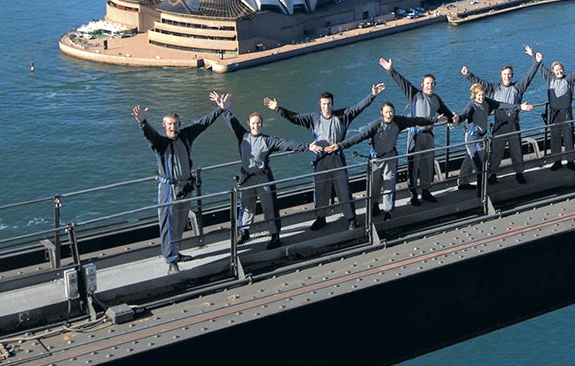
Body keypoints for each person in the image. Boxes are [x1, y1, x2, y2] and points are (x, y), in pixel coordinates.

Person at [266, 82, 385, 231]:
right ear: (319, 104)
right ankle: (321, 218)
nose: (326, 107)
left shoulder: (343, 116)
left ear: (332, 104)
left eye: (328, 104)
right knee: (321, 189)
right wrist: (278, 109)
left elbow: (358, 107)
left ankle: (351, 219)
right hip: (321, 159)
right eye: (323, 104)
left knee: (343, 188)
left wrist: (372, 95)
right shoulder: (313, 118)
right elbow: (294, 118)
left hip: (337, 157)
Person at [131, 97, 228, 271]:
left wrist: (220, 110)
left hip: (185, 187)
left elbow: (201, 124)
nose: (172, 127)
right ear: (164, 125)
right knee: (168, 222)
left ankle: (176, 251)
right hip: (169, 189)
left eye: (175, 124)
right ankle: (171, 260)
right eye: (169, 124)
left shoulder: (185, 137)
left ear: (179, 124)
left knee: (180, 221)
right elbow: (150, 136)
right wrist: (143, 122)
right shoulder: (161, 144)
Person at [218, 91, 318, 248]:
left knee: (269, 206)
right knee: (246, 206)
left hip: (263, 177)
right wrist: (224, 109)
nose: (256, 126)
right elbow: (232, 122)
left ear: (262, 124)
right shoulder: (242, 136)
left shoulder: (268, 141)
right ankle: (244, 232)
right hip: (246, 178)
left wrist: (307, 147)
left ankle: (275, 235)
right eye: (253, 123)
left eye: (258, 123)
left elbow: (286, 144)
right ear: (249, 124)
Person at [335, 101, 440, 223]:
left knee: (389, 186)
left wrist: (434, 119)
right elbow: (359, 137)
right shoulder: (376, 125)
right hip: (376, 160)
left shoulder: (398, 121)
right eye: (386, 112)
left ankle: (388, 211)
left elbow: (416, 120)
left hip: (390, 158)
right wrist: (340, 145)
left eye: (391, 112)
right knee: (374, 185)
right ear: (381, 113)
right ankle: (374, 204)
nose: (389, 115)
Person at [380, 56, 451, 205]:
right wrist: (391, 70)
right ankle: (413, 194)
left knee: (428, 164)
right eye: (427, 84)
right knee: (413, 165)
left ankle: (426, 190)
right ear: (422, 84)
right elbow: (402, 83)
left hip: (428, 136)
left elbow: (446, 113)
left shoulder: (436, 99)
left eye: (432, 84)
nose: (429, 86)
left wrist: (456, 118)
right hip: (415, 135)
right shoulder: (415, 95)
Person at [462, 57, 541, 184]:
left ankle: (519, 173)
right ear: (501, 75)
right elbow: (479, 83)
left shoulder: (518, 87)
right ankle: (493, 173)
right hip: (499, 125)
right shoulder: (494, 88)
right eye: (505, 74)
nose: (507, 76)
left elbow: (528, 76)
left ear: (512, 75)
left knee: (516, 150)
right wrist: (467, 74)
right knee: (496, 151)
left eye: (509, 74)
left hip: (513, 125)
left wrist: (537, 62)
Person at [531, 45, 575, 170]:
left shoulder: (568, 79)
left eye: (560, 69)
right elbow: (540, 67)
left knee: (569, 137)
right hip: (554, 114)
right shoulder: (549, 79)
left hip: (566, 113)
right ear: (553, 71)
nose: (559, 71)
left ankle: (570, 161)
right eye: (556, 70)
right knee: (555, 137)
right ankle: (557, 161)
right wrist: (533, 55)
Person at [453, 81, 493, 190]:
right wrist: (458, 119)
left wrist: (518, 107)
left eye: (483, 94)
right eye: (479, 95)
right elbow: (465, 114)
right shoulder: (471, 105)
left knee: (469, 158)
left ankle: (462, 182)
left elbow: (499, 104)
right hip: (472, 138)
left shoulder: (486, 103)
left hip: (481, 137)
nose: (481, 97)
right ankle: (481, 192)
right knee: (480, 163)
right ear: (474, 95)